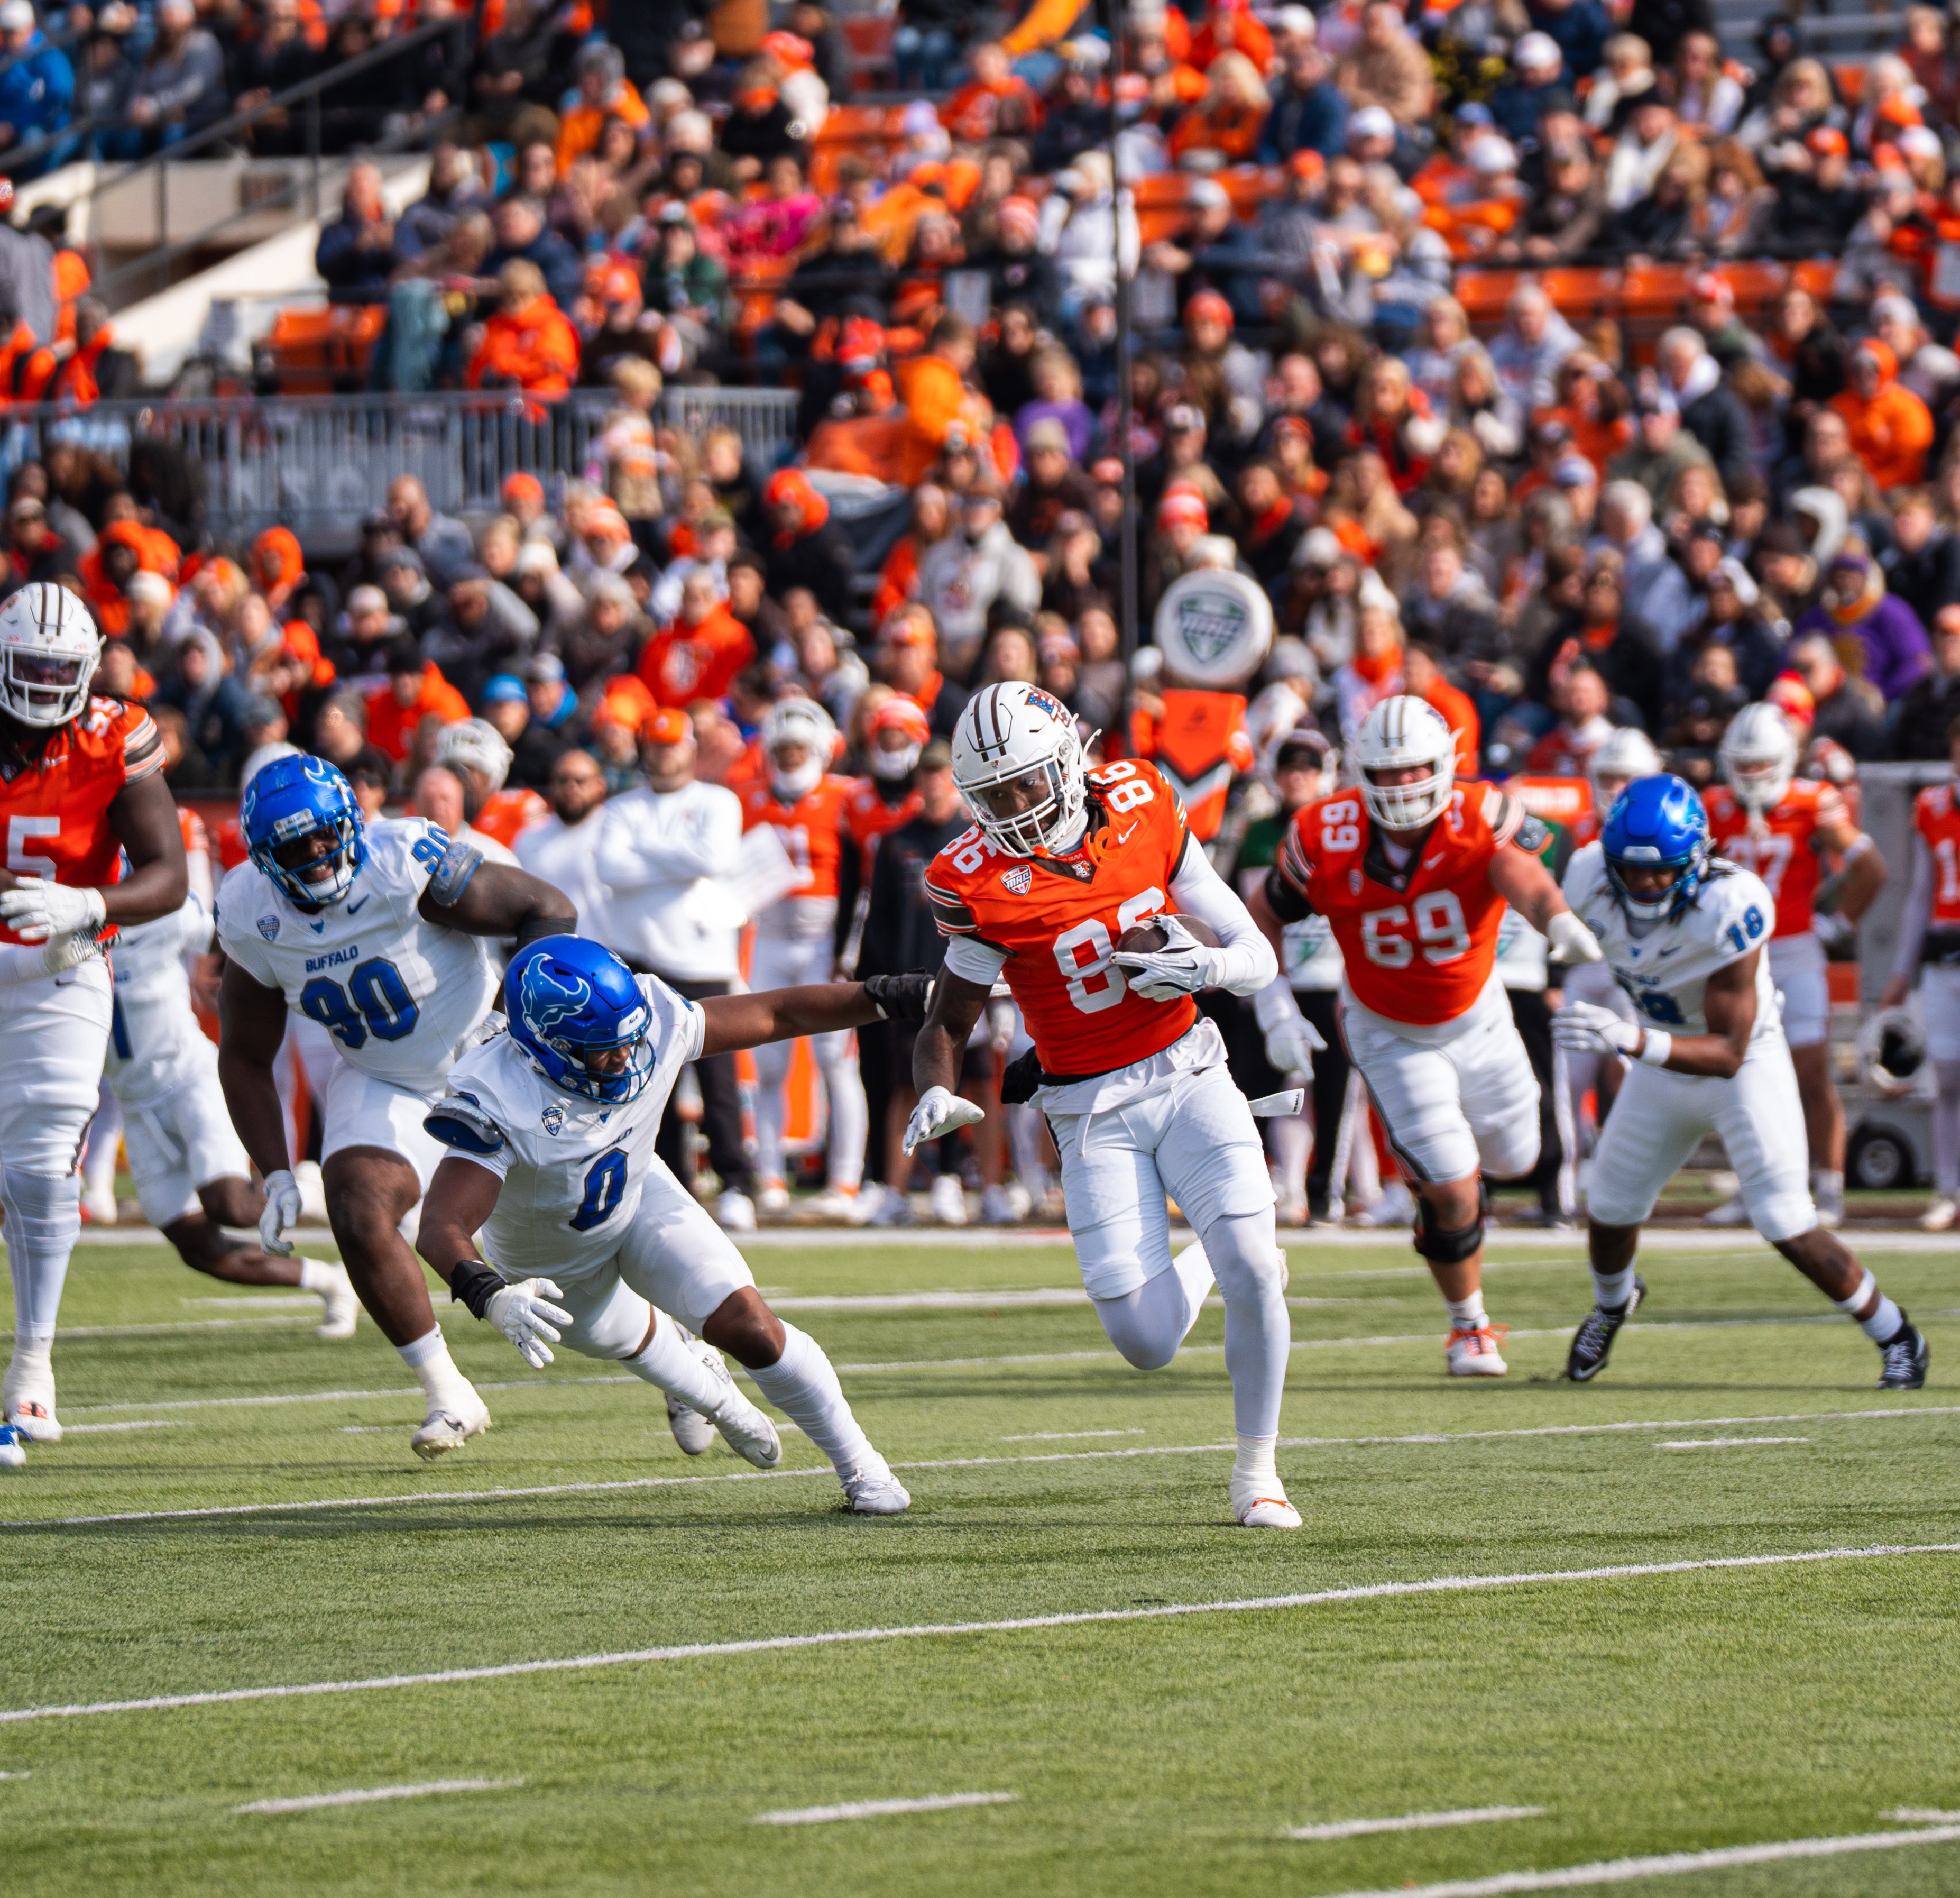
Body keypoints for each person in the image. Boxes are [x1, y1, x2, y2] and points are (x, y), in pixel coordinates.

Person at [908, 682, 1299, 1530]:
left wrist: (1207, 970)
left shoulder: (1146, 801)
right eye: (992, 795)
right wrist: (935, 1089)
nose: (1011, 808)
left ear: (1066, 762)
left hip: (1188, 1068)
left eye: (1023, 784)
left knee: (1257, 1270)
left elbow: (1256, 954)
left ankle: (1257, 1470)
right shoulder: (972, 880)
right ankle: (1218, 1256)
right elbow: (949, 1019)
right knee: (1146, 1342)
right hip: (1087, 1109)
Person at [417, 938, 926, 1513]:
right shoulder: (497, 1090)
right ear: (548, 1047)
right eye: (603, 1051)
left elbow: (778, 1012)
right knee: (646, 1349)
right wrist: (489, 1295)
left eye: (629, 1041)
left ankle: (862, 1466)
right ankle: (713, 1397)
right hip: (550, 1266)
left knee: (752, 1327)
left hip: (637, 1194)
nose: (627, 1058)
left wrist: (889, 996)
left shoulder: (652, 1020)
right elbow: (441, 1223)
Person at [214, 756, 577, 1463]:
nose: (316, 857)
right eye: (294, 848)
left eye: (324, 837)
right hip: (385, 1079)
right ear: (264, 859)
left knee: (575, 1246)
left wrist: (509, 1028)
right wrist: (277, 1170)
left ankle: (680, 1352)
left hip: (488, 1063)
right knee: (356, 1206)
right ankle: (448, 1392)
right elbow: (245, 1054)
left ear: (351, 824)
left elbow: (548, 909)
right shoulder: (250, 911)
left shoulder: (402, 859)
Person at [1249, 696, 1605, 1376]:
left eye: (1414, 770)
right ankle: (1469, 1328)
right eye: (1384, 773)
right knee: (1453, 1183)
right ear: (1359, 774)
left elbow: (1517, 872)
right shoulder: (1325, 832)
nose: (1401, 787)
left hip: (1479, 1014)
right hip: (1389, 1030)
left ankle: (1439, 1214)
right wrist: (1275, 1009)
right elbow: (1259, 915)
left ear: (1444, 766)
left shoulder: (1480, 811)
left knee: (1516, 1156)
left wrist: (1554, 917)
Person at [1556, 775, 1927, 1390]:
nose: (1645, 885)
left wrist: (1630, 1040)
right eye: (1632, 870)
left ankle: (1896, 1333)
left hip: (1741, 1066)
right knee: (1609, 1206)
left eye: (1662, 871)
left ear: (1697, 860)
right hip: (1656, 1058)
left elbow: (1727, 1052)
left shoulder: (1729, 905)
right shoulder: (1588, 876)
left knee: (1785, 1220)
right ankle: (1612, 1302)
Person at [0, 585, 188, 1460]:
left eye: (58, 672)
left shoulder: (116, 733)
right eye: (29, 668)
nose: (43, 687)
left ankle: (33, 1366)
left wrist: (88, 899)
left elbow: (168, 873)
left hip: (61, 964)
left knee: (43, 1166)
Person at [104, 870, 357, 1337]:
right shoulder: (58, 935)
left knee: (230, 1205)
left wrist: (216, 968)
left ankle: (308, 1182)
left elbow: (230, 928)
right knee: (199, 1248)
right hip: (135, 1104)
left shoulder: (163, 913)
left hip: (188, 1080)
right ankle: (331, 1281)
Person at [1701, 705, 1883, 1228]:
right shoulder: (1713, 806)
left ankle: (1827, 1187)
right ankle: (1753, 1186)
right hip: (1733, 955)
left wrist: (1834, 927)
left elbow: (1870, 869)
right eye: (1744, 763)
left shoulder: (1812, 802)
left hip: (1795, 949)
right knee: (1737, 1075)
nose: (1753, 775)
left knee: (1809, 1072)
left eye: (1762, 763)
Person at [593, 707, 761, 1234]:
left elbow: (714, 857)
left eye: (672, 745)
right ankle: (666, 1182)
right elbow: (609, 869)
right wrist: (679, 859)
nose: (664, 754)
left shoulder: (717, 800)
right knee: (647, 1084)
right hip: (640, 964)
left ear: (690, 747)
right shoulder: (621, 808)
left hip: (704, 961)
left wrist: (649, 852)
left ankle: (736, 1184)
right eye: (656, 745)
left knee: (719, 1083)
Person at [738, 696, 869, 1217]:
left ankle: (845, 1181)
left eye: (798, 747)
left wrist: (850, 949)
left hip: (822, 942)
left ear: (818, 747)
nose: (790, 756)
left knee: (835, 1061)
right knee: (767, 1063)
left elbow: (862, 874)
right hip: (770, 936)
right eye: (782, 747)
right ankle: (770, 1175)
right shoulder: (748, 798)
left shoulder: (845, 796)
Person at [1881, 721, 1960, 1231]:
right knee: (1948, 1077)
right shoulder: (1932, 806)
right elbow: (1918, 894)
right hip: (1943, 953)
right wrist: (1900, 970)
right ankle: (1948, 1188)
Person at [512, 749, 606, 933]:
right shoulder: (530, 836)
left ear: (600, 785)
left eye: (580, 781)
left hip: (603, 952)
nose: (572, 788)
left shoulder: (614, 831)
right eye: (563, 780)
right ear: (552, 784)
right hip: (545, 952)